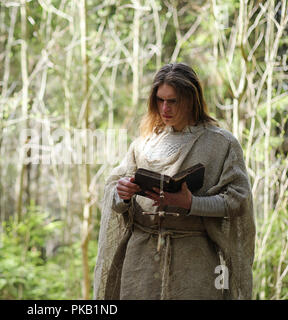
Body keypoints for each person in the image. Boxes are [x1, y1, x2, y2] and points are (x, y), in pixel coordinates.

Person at [94, 63, 256, 300]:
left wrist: (191, 203)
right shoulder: (144, 144)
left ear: (191, 100)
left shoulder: (222, 144)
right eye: (160, 100)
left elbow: (238, 201)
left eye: (173, 101)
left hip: (195, 262)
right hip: (140, 263)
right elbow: (115, 192)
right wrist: (124, 193)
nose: (165, 108)